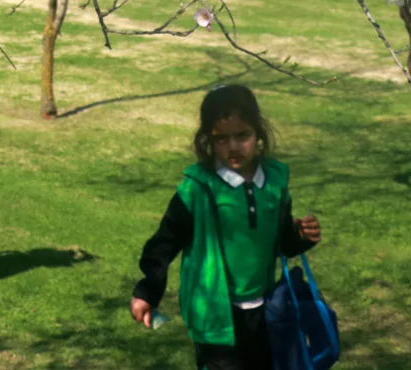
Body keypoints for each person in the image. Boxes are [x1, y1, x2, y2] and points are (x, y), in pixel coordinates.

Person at [130, 84, 322, 370]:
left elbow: (280, 242)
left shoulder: (275, 183)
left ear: (258, 134)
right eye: (222, 139)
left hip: (265, 311)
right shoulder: (197, 189)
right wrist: (147, 291)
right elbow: (165, 242)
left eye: (242, 135)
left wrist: (301, 237)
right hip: (215, 313)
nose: (233, 147)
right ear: (208, 140)